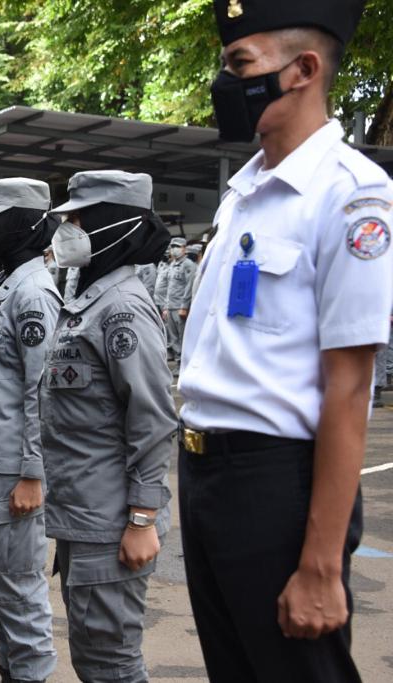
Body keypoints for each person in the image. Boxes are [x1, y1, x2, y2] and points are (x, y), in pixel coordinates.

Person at [178, 2, 391, 680]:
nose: (224, 83)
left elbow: (350, 387)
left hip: (276, 483)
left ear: (303, 70)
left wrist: (322, 566)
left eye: (240, 65)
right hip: (205, 475)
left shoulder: (350, 196)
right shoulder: (243, 192)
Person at [41, 170, 175, 683]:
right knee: (93, 656)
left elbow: (153, 416)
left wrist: (142, 517)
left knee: (111, 662)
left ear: (112, 224)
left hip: (113, 519)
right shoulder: (86, 300)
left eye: (78, 218)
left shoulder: (122, 309)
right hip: (84, 514)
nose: (67, 228)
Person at [0, 178, 60, 683]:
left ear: (21, 225)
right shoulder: (2, 284)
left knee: (19, 592)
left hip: (12, 472)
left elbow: (40, 394)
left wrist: (32, 474)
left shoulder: (33, 292)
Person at [160, 237, 196, 362]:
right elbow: (168, 288)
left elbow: (189, 286)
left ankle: (185, 362)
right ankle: (178, 361)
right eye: (172, 246)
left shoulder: (188, 265)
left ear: (184, 248)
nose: (174, 249)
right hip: (170, 306)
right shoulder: (172, 265)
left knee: (183, 337)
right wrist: (165, 307)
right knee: (173, 337)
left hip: (180, 307)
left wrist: (184, 307)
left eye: (177, 246)